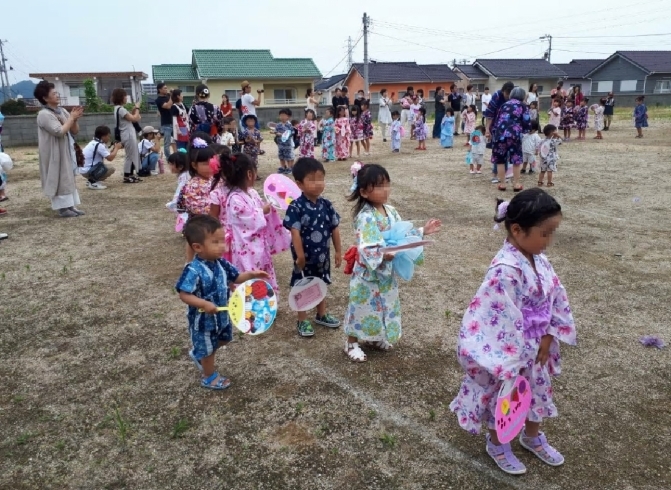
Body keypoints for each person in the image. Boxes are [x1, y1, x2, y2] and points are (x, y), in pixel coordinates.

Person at [450, 188, 575, 475]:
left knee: (537, 392)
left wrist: (547, 335)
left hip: (537, 346)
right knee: (507, 397)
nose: (549, 240)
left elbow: (555, 295)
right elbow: (496, 315)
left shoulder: (538, 258)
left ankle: (532, 436)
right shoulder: (505, 270)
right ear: (517, 230)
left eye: (552, 232)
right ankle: (497, 443)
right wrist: (513, 357)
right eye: (545, 233)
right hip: (513, 351)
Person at [343, 163, 441, 362]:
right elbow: (367, 245)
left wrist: (422, 231)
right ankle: (351, 342)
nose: (385, 190)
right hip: (368, 274)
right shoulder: (365, 216)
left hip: (386, 271)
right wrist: (382, 253)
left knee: (383, 305)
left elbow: (401, 233)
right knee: (361, 306)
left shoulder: (390, 210)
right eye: (379, 186)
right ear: (363, 192)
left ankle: (374, 337)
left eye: (387, 184)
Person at [176, 214, 270, 391]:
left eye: (222, 241)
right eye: (215, 242)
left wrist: (253, 275)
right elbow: (184, 294)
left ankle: (199, 354)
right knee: (209, 348)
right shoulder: (193, 269)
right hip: (203, 321)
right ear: (198, 247)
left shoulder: (220, 263)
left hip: (223, 314)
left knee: (224, 339)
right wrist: (203, 304)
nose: (222, 246)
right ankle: (208, 376)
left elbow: (237, 277)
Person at [283, 157, 342, 337]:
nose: (318, 184)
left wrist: (338, 251)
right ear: (299, 184)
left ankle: (321, 314)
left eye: (321, 178)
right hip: (304, 259)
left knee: (321, 283)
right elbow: (295, 232)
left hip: (323, 257)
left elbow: (334, 228)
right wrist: (300, 256)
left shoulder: (326, 205)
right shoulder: (296, 207)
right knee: (302, 286)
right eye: (312, 179)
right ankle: (302, 320)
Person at [222, 152, 290, 292]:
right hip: (244, 247)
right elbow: (247, 219)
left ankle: (266, 301)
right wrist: (261, 211)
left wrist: (268, 208)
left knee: (263, 271)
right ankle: (250, 305)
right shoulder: (234, 198)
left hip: (259, 244)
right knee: (249, 274)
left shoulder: (251, 193)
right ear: (249, 174)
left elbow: (259, 211)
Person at [34, 80, 86, 217]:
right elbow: (59, 131)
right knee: (58, 177)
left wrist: (74, 119)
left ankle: (70, 206)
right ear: (45, 98)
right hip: (54, 152)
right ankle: (63, 209)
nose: (57, 95)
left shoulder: (62, 110)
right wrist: (71, 118)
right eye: (53, 93)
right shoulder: (44, 114)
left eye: (56, 92)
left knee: (67, 177)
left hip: (66, 149)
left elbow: (74, 131)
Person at [178, 135, 215, 262]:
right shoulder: (193, 184)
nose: (210, 166)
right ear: (194, 165)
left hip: (214, 217)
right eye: (205, 164)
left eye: (212, 162)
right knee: (193, 241)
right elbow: (194, 205)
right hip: (200, 219)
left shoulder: (214, 179)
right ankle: (189, 262)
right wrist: (214, 209)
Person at [491, 87, 531, 193]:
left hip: (500, 134)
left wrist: (494, 132)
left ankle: (502, 183)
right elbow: (526, 120)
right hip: (514, 134)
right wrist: (526, 130)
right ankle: (516, 184)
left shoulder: (504, 105)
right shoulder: (523, 106)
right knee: (516, 159)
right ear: (522, 96)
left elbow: (497, 119)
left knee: (500, 160)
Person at [80, 126, 120, 190]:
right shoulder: (99, 145)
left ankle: (91, 181)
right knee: (110, 169)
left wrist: (113, 149)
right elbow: (110, 158)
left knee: (104, 166)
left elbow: (108, 154)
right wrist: (117, 148)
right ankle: (93, 182)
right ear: (103, 136)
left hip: (85, 169)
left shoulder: (94, 142)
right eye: (108, 136)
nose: (109, 138)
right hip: (88, 171)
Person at [484, 82, 515, 147]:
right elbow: (490, 114)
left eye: (510, 94)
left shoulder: (514, 97)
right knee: (497, 146)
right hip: (496, 124)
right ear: (503, 91)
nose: (508, 96)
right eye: (507, 93)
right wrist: (487, 129)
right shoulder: (497, 96)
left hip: (509, 126)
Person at [166, 151, 190, 233]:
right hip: (187, 199)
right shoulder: (185, 174)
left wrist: (174, 203)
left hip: (186, 200)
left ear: (180, 167)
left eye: (171, 164)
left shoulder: (184, 176)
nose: (170, 166)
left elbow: (180, 191)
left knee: (185, 214)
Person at [155, 83, 174, 157]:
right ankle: (168, 158)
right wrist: (172, 96)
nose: (166, 89)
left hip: (174, 122)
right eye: (164, 88)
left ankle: (176, 156)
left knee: (175, 142)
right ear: (159, 90)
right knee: (167, 143)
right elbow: (168, 106)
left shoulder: (168, 97)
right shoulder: (158, 100)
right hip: (166, 124)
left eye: (167, 88)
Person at [274, 108, 295, 174]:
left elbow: (292, 132)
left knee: (288, 156)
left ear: (287, 117)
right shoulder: (278, 125)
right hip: (280, 144)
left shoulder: (289, 125)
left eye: (284, 115)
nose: (282, 117)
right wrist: (276, 133)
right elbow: (275, 132)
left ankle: (289, 168)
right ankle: (283, 167)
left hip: (287, 145)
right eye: (281, 115)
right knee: (281, 156)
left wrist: (285, 134)